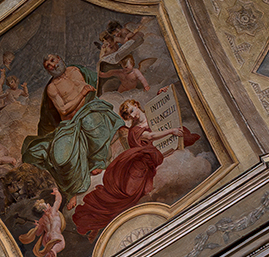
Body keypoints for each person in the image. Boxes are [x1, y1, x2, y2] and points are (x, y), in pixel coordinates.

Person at [70, 98, 200, 237]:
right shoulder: (135, 130)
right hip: (139, 164)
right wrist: (171, 131)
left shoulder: (153, 116)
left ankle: (99, 221)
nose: (133, 116)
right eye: (129, 116)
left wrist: (164, 95)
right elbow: (150, 136)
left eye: (132, 111)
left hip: (150, 161)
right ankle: (97, 220)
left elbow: (165, 109)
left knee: (137, 193)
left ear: (137, 104)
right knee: (126, 195)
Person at [21, 54, 127, 211]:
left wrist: (82, 99)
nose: (51, 66)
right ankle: (71, 191)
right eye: (47, 66)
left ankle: (99, 161)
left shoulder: (75, 71)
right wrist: (82, 94)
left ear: (59, 58)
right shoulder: (52, 87)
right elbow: (63, 110)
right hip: (69, 123)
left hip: (90, 110)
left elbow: (92, 88)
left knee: (90, 122)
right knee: (60, 158)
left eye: (52, 60)